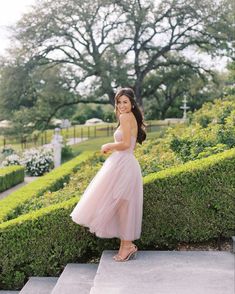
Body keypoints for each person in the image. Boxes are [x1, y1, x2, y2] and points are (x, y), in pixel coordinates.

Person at [70, 87, 146, 262]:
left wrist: (108, 146)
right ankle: (126, 245)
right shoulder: (128, 117)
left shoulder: (126, 117)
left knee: (122, 205)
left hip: (124, 164)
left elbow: (126, 144)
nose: (121, 105)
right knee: (121, 205)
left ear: (132, 103)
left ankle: (127, 246)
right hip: (124, 164)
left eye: (125, 102)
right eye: (119, 102)